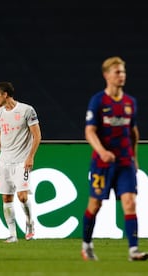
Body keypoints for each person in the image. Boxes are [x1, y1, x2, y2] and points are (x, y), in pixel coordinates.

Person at [81, 56, 148, 261]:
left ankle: (133, 250)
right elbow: (90, 131)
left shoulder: (130, 102)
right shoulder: (98, 101)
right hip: (102, 164)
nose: (122, 76)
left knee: (130, 203)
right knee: (95, 205)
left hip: (125, 162)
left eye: (123, 72)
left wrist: (134, 156)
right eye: (118, 72)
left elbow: (134, 131)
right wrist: (101, 151)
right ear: (106, 75)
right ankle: (87, 245)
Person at [0, 81, 41, 243]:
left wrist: (31, 156)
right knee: (6, 199)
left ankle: (30, 223)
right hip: (4, 162)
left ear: (5, 94)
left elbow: (37, 135)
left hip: (21, 162)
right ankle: (13, 234)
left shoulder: (26, 110)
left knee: (22, 197)